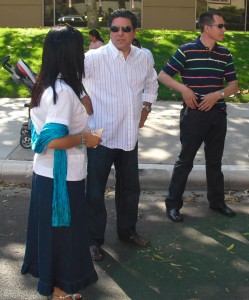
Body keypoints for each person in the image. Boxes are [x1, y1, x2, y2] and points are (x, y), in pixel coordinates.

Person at [21, 24, 101, 299]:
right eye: (80, 49)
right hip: (61, 177)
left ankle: (57, 284)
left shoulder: (46, 85)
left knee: (55, 233)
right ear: (71, 54)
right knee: (63, 235)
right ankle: (58, 287)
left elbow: (44, 134)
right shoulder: (63, 91)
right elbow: (52, 139)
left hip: (49, 173)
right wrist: (85, 140)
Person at [82, 8, 158, 261]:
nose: (120, 34)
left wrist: (146, 107)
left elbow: (151, 82)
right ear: (109, 31)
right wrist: (84, 100)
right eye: (115, 29)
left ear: (134, 32)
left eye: (126, 29)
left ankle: (127, 232)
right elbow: (68, 78)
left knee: (130, 188)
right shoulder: (93, 58)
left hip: (129, 135)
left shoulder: (143, 56)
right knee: (94, 191)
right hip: (101, 136)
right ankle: (93, 241)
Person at [158, 11, 238, 223]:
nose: (224, 29)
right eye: (220, 26)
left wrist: (218, 94)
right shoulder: (186, 50)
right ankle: (173, 205)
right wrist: (183, 89)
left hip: (218, 115)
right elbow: (163, 75)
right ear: (207, 28)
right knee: (185, 161)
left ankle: (217, 203)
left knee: (215, 161)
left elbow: (233, 85)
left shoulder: (225, 54)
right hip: (193, 115)